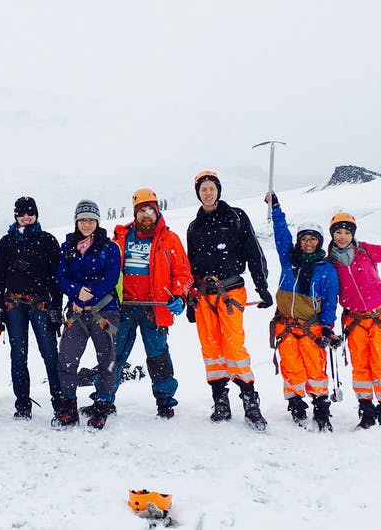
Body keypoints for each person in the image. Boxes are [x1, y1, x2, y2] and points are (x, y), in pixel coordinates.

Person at [186, 171, 272, 430]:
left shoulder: (236, 217)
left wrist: (262, 286)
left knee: (234, 346)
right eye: (203, 190)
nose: (208, 193)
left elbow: (253, 253)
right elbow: (190, 265)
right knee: (211, 349)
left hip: (230, 290)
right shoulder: (194, 226)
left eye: (211, 188)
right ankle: (220, 399)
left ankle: (249, 400)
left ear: (218, 190)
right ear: (198, 194)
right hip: (203, 294)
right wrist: (190, 297)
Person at [325, 207, 381, 428]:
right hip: (354, 320)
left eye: (347, 232)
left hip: (379, 316)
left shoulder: (366, 251)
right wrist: (327, 327)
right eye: (338, 232)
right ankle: (366, 409)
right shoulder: (329, 263)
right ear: (332, 234)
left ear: (353, 234)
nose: (342, 236)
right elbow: (327, 297)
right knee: (360, 365)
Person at [109, 188, 193, 419]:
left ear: (157, 212)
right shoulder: (120, 238)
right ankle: (105, 397)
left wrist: (178, 296)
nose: (146, 214)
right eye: (142, 210)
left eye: (150, 210)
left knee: (158, 355)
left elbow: (183, 275)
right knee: (113, 353)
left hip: (154, 308)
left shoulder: (170, 239)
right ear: (135, 213)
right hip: (123, 308)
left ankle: (165, 400)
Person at [264, 192, 340, 431]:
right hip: (286, 324)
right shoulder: (289, 259)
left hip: (312, 327)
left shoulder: (326, 269)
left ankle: (320, 406)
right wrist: (276, 209)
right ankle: (296, 404)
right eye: (304, 239)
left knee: (315, 369)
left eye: (313, 239)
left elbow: (329, 301)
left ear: (319, 242)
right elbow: (281, 234)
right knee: (291, 366)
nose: (308, 243)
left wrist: (328, 327)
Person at [0, 196, 65, 421]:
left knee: (50, 354)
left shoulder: (47, 241)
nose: (26, 217)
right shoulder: (6, 242)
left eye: (29, 213)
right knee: (18, 355)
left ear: (36, 214)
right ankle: (22, 403)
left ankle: (60, 402)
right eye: (21, 213)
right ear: (15, 215)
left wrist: (56, 309)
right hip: (14, 306)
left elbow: (57, 279)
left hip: (41, 305)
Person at [54, 200, 122, 429]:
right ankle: (69, 406)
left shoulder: (110, 248)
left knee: (106, 360)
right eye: (82, 219)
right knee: (66, 358)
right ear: (76, 221)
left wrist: (87, 296)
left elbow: (111, 278)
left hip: (105, 311)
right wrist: (75, 292)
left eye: (91, 219)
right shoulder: (68, 247)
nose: (86, 224)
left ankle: (102, 405)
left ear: (97, 221)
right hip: (77, 313)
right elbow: (60, 277)